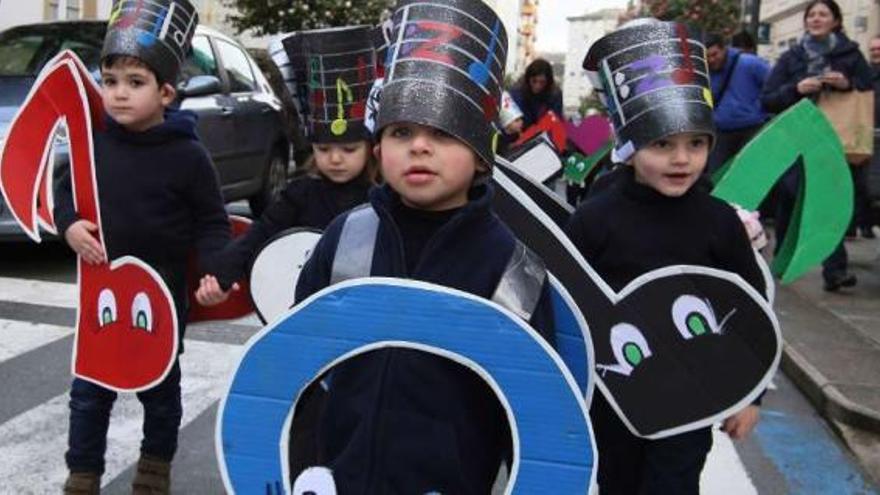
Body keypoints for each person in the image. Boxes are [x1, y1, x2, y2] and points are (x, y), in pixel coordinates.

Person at [291, 1, 556, 492]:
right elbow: (297, 368)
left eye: (443, 132)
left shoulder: (512, 269)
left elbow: (535, 409)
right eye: (402, 131)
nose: (419, 146)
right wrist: (306, 466)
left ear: (481, 158)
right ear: (378, 149)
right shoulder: (345, 237)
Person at [568, 19, 766, 494]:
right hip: (614, 398)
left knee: (674, 485)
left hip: (691, 396)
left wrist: (750, 395)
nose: (682, 159)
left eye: (695, 144)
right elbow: (569, 306)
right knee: (616, 482)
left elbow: (750, 309)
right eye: (662, 144)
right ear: (631, 149)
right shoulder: (595, 219)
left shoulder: (720, 222)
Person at [54, 2, 231, 494]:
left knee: (160, 391)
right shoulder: (95, 146)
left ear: (166, 93)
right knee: (89, 392)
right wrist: (68, 225)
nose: (118, 93)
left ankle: (154, 470)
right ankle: (82, 474)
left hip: (162, 299)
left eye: (135, 82)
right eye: (110, 81)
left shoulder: (188, 156)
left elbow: (212, 224)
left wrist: (215, 272)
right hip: (101, 298)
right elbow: (64, 194)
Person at [194, 26, 380, 304]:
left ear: (371, 148)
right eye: (324, 149)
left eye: (349, 149)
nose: (335, 158)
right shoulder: (300, 195)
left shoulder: (381, 199)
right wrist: (220, 277)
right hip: (303, 310)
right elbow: (258, 236)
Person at [761, 0, 873, 290]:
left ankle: (834, 270)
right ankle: (783, 259)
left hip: (833, 139)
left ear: (835, 20)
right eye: (811, 14)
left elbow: (868, 88)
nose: (816, 19)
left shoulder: (850, 54)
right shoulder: (792, 56)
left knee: (827, 203)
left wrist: (846, 83)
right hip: (797, 138)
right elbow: (769, 98)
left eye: (823, 14)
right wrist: (797, 89)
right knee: (790, 197)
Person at [705, 32, 770, 174]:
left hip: (751, 129)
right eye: (707, 57)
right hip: (721, 132)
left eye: (714, 54)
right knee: (717, 176)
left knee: (751, 174)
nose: (711, 60)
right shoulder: (705, 72)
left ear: (724, 49)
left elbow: (773, 85)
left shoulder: (750, 63)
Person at [510, 58, 564, 128]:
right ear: (528, 79)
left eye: (542, 82)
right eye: (534, 81)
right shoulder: (517, 91)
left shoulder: (555, 94)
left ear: (548, 82)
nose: (537, 86)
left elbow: (556, 119)